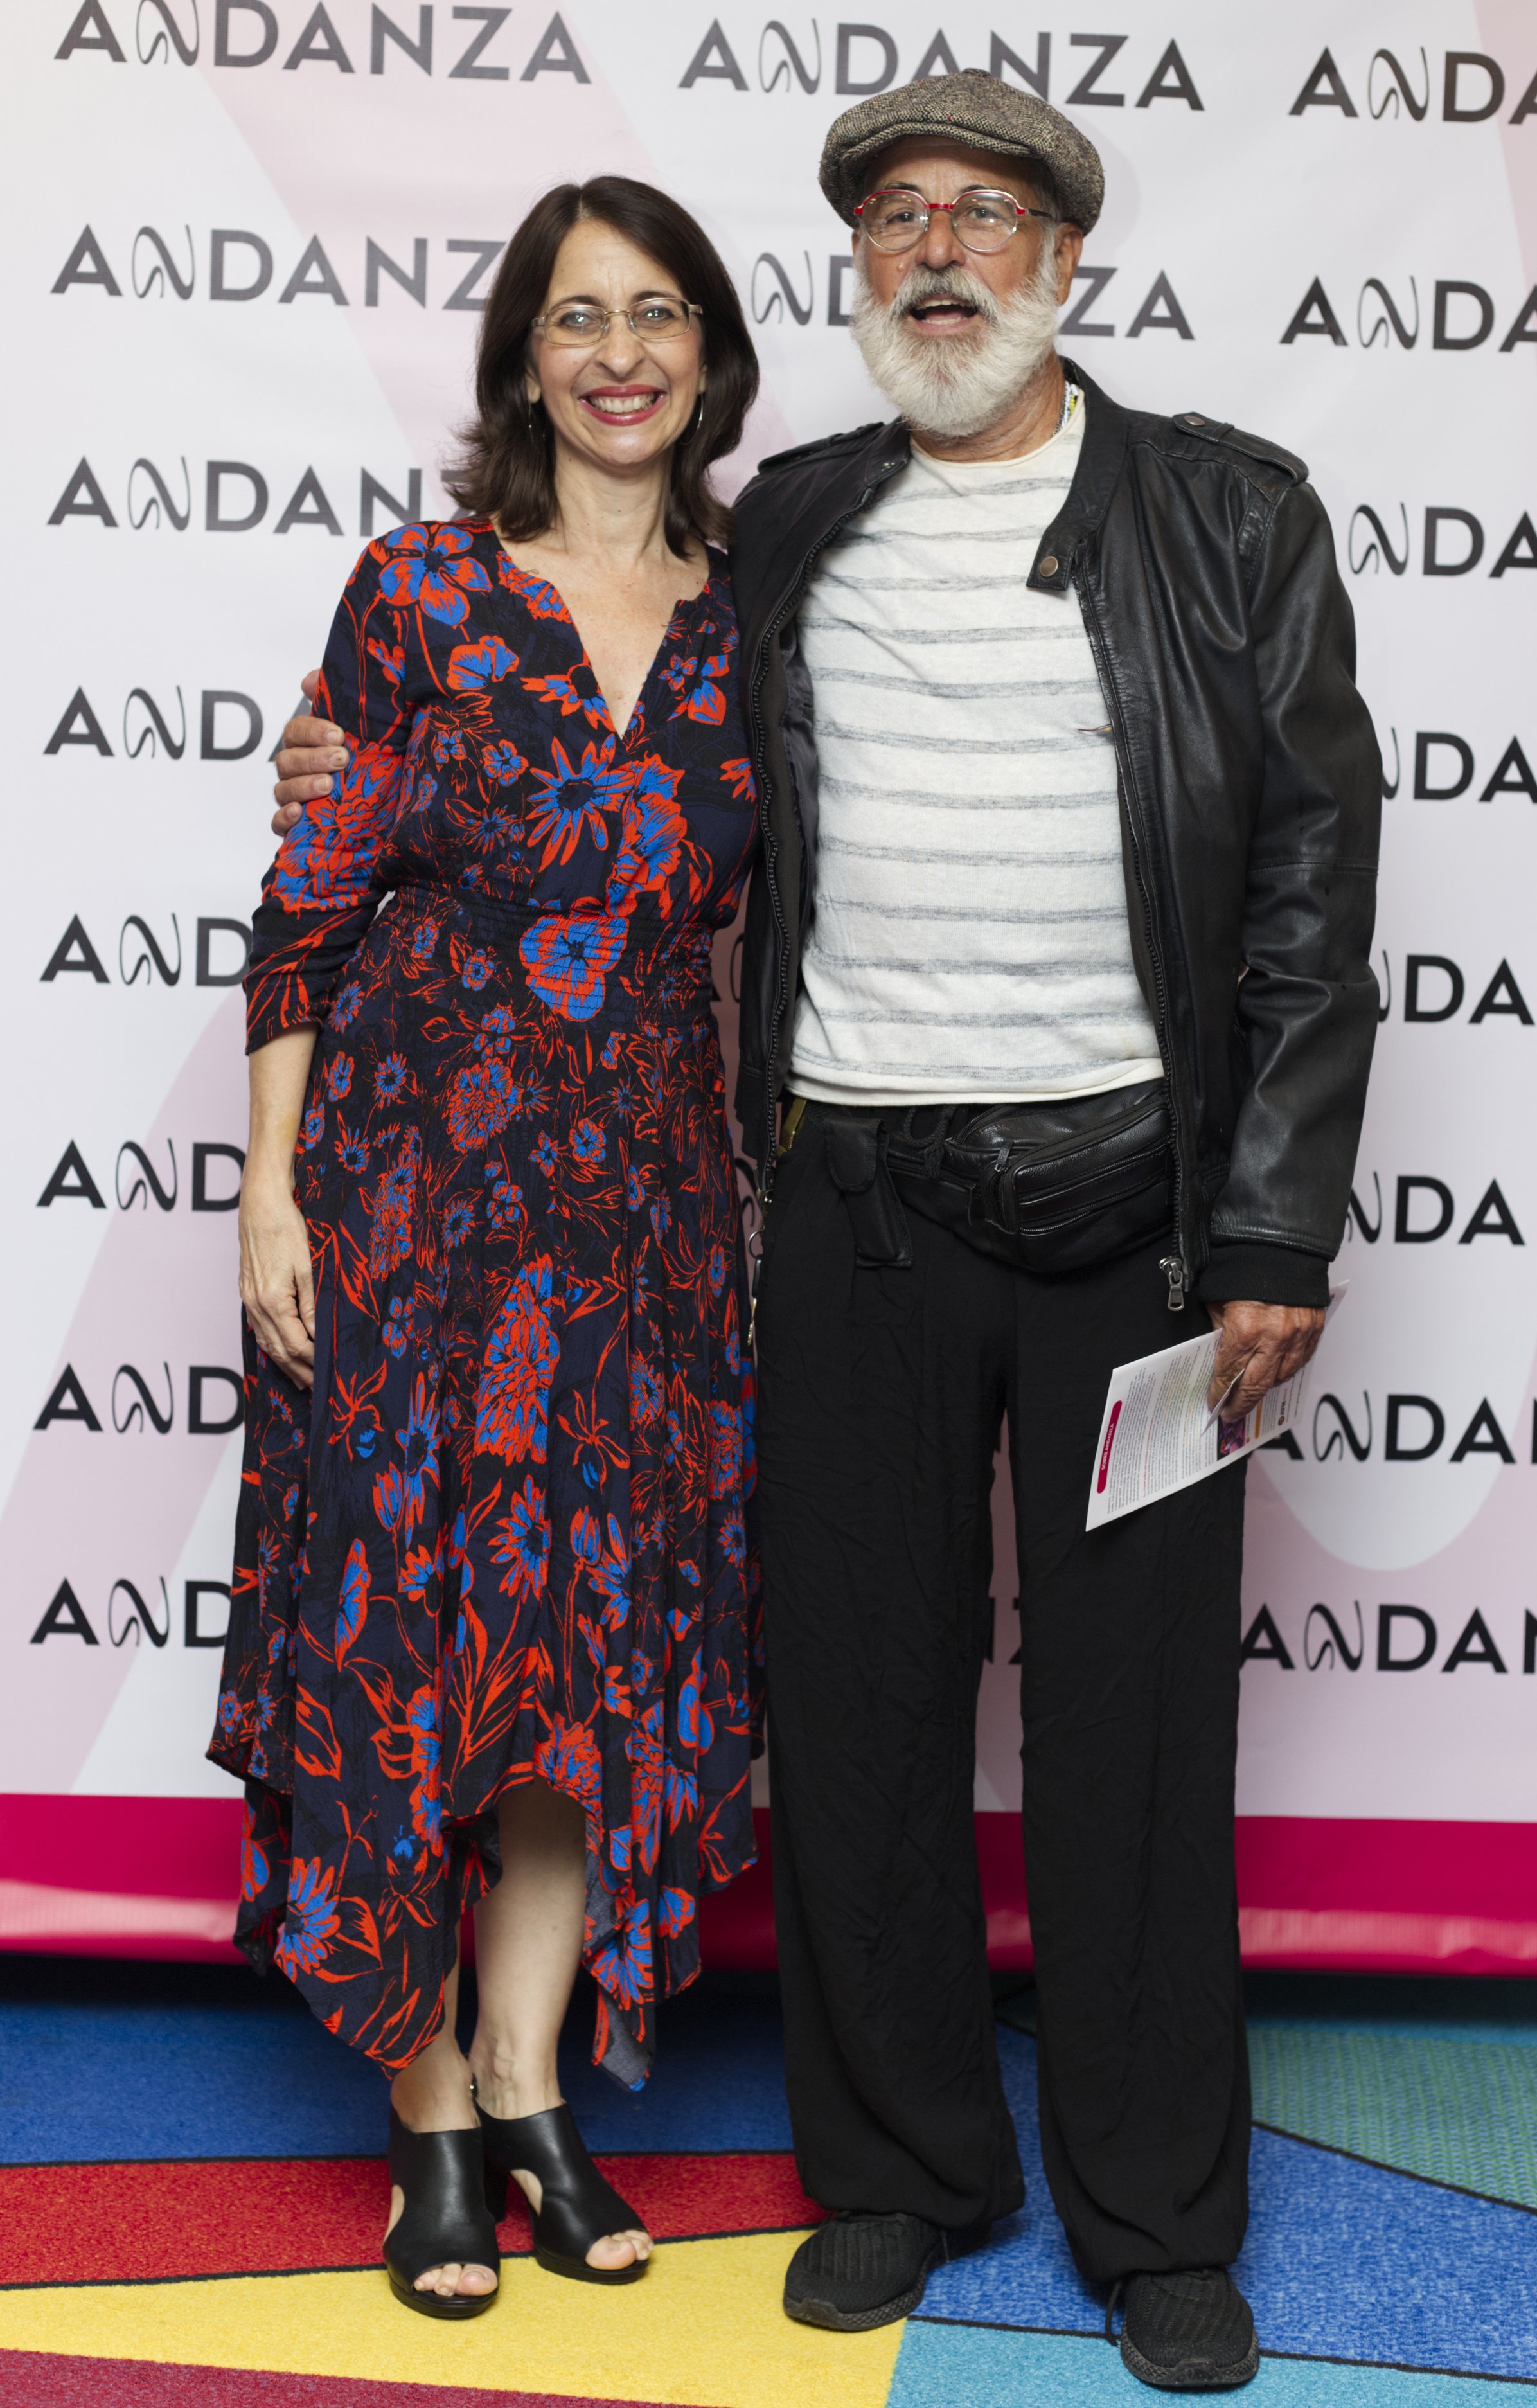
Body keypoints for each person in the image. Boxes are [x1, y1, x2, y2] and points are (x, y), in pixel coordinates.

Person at [271, 73, 1381, 2393]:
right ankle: (896, 2172)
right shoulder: (789, 523)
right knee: (861, 1708)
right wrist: (332, 768)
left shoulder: (1228, 514)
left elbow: (1307, 879)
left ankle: (1156, 2214)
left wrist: (1274, 1226)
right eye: (895, 218)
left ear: (1062, 259)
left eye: (985, 213)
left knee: (1137, 1727)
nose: (938, 251)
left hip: (1145, 1225)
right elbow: (522, 733)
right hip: (853, 1206)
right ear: (856, 272)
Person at [213, 174, 762, 2321]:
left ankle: (531, 2081)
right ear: (523, 361)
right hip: (411, 1209)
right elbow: (307, 904)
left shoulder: (755, 615)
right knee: (414, 1653)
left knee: (584, 1665)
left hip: (646, 1225)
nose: (620, 355)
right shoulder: (419, 589)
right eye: (576, 319)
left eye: (657, 314)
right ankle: (427, 2110)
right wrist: (271, 1188)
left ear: (710, 351)